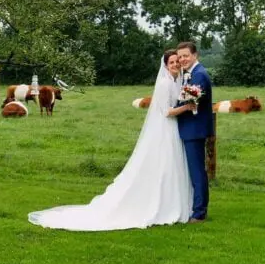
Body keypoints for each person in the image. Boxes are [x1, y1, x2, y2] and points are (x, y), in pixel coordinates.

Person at [27, 50, 192, 231]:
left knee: (170, 165)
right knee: (163, 164)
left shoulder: (176, 81)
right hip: (165, 129)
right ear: (166, 65)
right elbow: (166, 112)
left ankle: (172, 202)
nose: (176, 64)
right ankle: (161, 205)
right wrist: (187, 107)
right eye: (172, 62)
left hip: (172, 129)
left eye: (177, 61)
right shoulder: (164, 83)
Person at [166, 41, 213, 223]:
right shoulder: (189, 74)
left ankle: (199, 212)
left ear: (195, 55)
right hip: (189, 128)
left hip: (194, 129)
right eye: (180, 57)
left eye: (186, 56)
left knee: (197, 172)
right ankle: (196, 207)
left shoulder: (199, 75)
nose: (183, 60)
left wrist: (171, 108)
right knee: (194, 171)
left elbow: (187, 103)